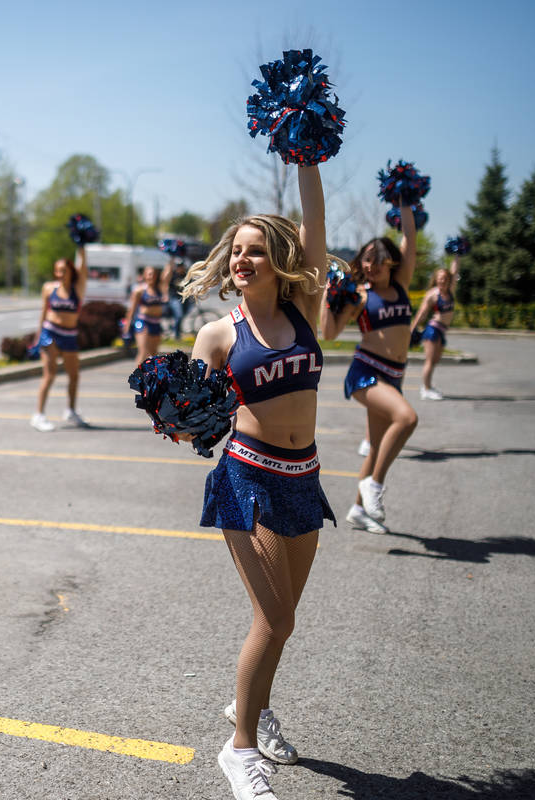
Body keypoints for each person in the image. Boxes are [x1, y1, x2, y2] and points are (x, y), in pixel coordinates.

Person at [181, 165, 333, 800]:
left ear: (280, 259)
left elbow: (317, 224)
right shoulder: (219, 333)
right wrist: (183, 412)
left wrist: (307, 159)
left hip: (305, 476)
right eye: (236, 251)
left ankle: (255, 709)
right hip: (249, 477)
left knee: (283, 620)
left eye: (255, 250)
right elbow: (191, 414)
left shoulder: (307, 310)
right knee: (273, 621)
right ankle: (240, 751)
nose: (242, 259)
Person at [320, 203, 419, 534]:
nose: (369, 265)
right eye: (365, 259)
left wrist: (405, 202)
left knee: (377, 446)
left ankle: (359, 510)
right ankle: (374, 486)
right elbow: (330, 334)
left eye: (377, 260)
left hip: (394, 375)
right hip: (366, 372)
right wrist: (327, 296)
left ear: (391, 262)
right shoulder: (358, 295)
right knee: (406, 418)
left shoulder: (402, 283)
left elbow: (410, 238)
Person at [31, 243, 90, 431]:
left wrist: (81, 247)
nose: (60, 274)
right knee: (50, 374)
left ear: (71, 271)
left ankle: (70, 410)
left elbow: (83, 266)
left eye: (63, 271)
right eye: (57, 271)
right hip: (51, 333)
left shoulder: (78, 288)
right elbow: (43, 312)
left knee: (74, 375)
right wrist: (38, 335)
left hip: (69, 335)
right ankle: (38, 415)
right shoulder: (49, 288)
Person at [409, 256, 460, 400]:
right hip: (433, 330)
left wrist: (457, 255)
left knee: (435, 360)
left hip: (442, 331)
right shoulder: (433, 294)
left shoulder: (450, 291)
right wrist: (412, 328)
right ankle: (425, 389)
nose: (442, 280)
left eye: (444, 278)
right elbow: (422, 312)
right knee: (430, 361)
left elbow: (455, 271)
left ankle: (428, 386)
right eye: (439, 278)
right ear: (436, 279)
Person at [123, 258, 174, 365]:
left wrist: (171, 258)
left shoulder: (160, 288)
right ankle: (138, 378)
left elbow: (167, 275)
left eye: (154, 274)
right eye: (149, 274)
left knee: (153, 354)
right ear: (145, 275)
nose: (152, 276)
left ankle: (150, 379)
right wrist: (127, 326)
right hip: (143, 322)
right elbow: (131, 309)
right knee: (143, 352)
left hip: (156, 322)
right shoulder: (140, 290)